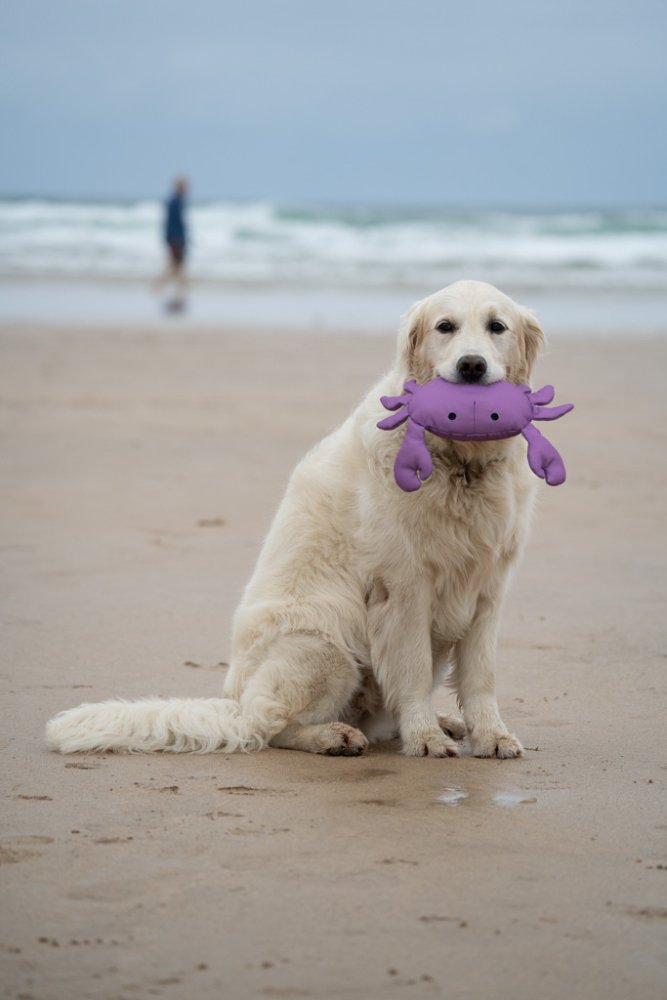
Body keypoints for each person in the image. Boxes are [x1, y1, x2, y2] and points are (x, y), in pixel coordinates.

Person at [160, 176, 189, 312]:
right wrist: (174, 240)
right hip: (175, 240)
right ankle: (177, 296)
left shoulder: (178, 202)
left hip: (177, 239)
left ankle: (179, 295)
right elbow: (171, 224)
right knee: (176, 269)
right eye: (185, 187)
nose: (187, 190)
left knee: (176, 269)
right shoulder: (174, 202)